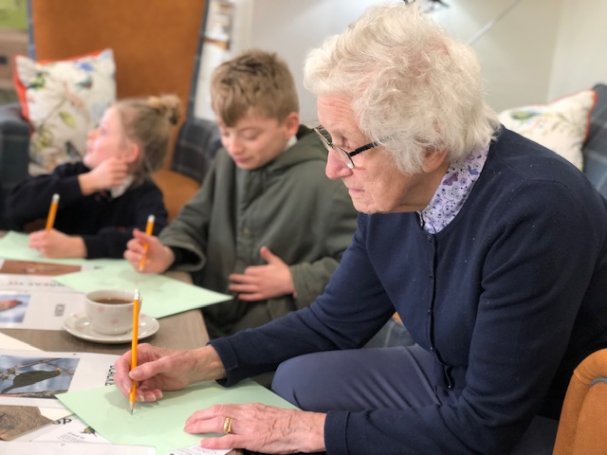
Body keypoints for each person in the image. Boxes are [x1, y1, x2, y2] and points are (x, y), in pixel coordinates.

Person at [114, 4, 607, 454]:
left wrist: (305, 430)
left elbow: (487, 424)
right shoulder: (394, 189)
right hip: (451, 374)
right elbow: (333, 321)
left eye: (347, 146)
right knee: (300, 380)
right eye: (327, 137)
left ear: (430, 145)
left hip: (546, 418)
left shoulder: (538, 211)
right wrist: (198, 361)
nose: (332, 168)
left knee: (302, 421)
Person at [124, 49, 357, 337]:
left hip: (272, 331)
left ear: (289, 125)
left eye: (249, 135)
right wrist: (168, 251)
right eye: (225, 132)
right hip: (207, 313)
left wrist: (295, 278)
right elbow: (194, 219)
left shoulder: (327, 182)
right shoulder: (226, 160)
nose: (234, 146)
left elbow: (361, 266)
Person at [6, 95, 179, 259]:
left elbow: (151, 238)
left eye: (103, 131)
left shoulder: (147, 194)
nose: (91, 134)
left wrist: (79, 246)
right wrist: (85, 183)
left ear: (128, 152)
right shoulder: (74, 173)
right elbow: (14, 206)